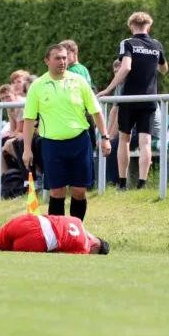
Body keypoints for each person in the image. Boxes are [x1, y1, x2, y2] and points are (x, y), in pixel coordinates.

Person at [23, 44, 112, 222]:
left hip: (79, 142)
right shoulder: (37, 86)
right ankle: (58, 234)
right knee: (57, 191)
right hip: (52, 144)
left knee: (79, 191)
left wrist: (105, 137)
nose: (62, 62)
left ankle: (76, 231)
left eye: (64, 58)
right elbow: (29, 119)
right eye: (57, 58)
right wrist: (27, 149)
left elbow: (96, 111)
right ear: (47, 61)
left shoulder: (79, 81)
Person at [97, 12, 168, 190]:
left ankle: (122, 184)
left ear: (131, 27)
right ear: (148, 27)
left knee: (124, 140)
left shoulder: (127, 43)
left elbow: (126, 66)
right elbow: (164, 69)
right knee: (145, 142)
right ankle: (142, 184)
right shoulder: (156, 44)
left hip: (129, 98)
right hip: (149, 98)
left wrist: (109, 88)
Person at [105, 60, 161, 185]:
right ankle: (113, 183)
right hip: (134, 128)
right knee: (110, 144)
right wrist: (106, 135)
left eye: (118, 71)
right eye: (114, 72)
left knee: (113, 146)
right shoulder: (120, 86)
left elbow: (121, 115)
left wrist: (110, 138)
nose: (116, 75)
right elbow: (115, 111)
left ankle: (116, 184)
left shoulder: (134, 85)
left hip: (149, 129)